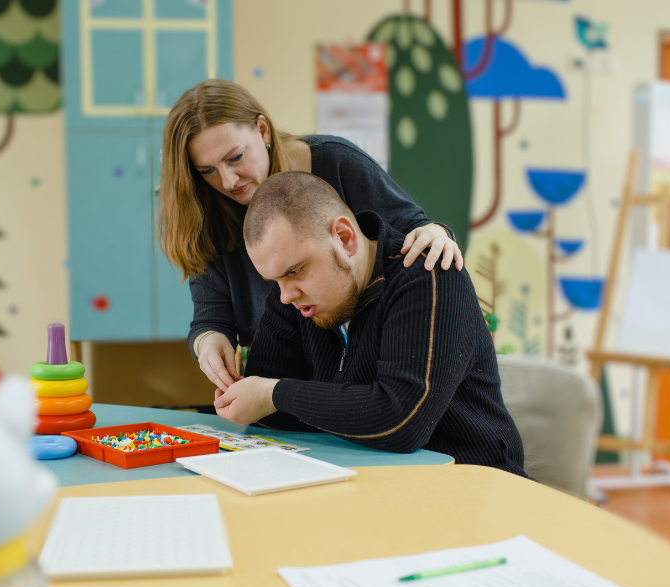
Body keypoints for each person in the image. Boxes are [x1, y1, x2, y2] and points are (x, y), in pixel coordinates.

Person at [158, 79, 464, 392]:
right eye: (207, 170)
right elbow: (211, 318)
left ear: (263, 131)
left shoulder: (335, 161)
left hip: (365, 370)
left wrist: (436, 233)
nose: (227, 180)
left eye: (235, 157)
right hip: (282, 372)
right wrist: (210, 342)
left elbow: (413, 230)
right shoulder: (204, 210)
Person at [211, 171, 526, 476]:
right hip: (370, 486)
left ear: (345, 239)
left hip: (474, 486)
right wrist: (265, 397)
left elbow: (402, 423)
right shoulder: (294, 297)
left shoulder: (428, 273)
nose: (285, 295)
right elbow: (269, 415)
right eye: (275, 279)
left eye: (296, 271)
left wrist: (273, 394)